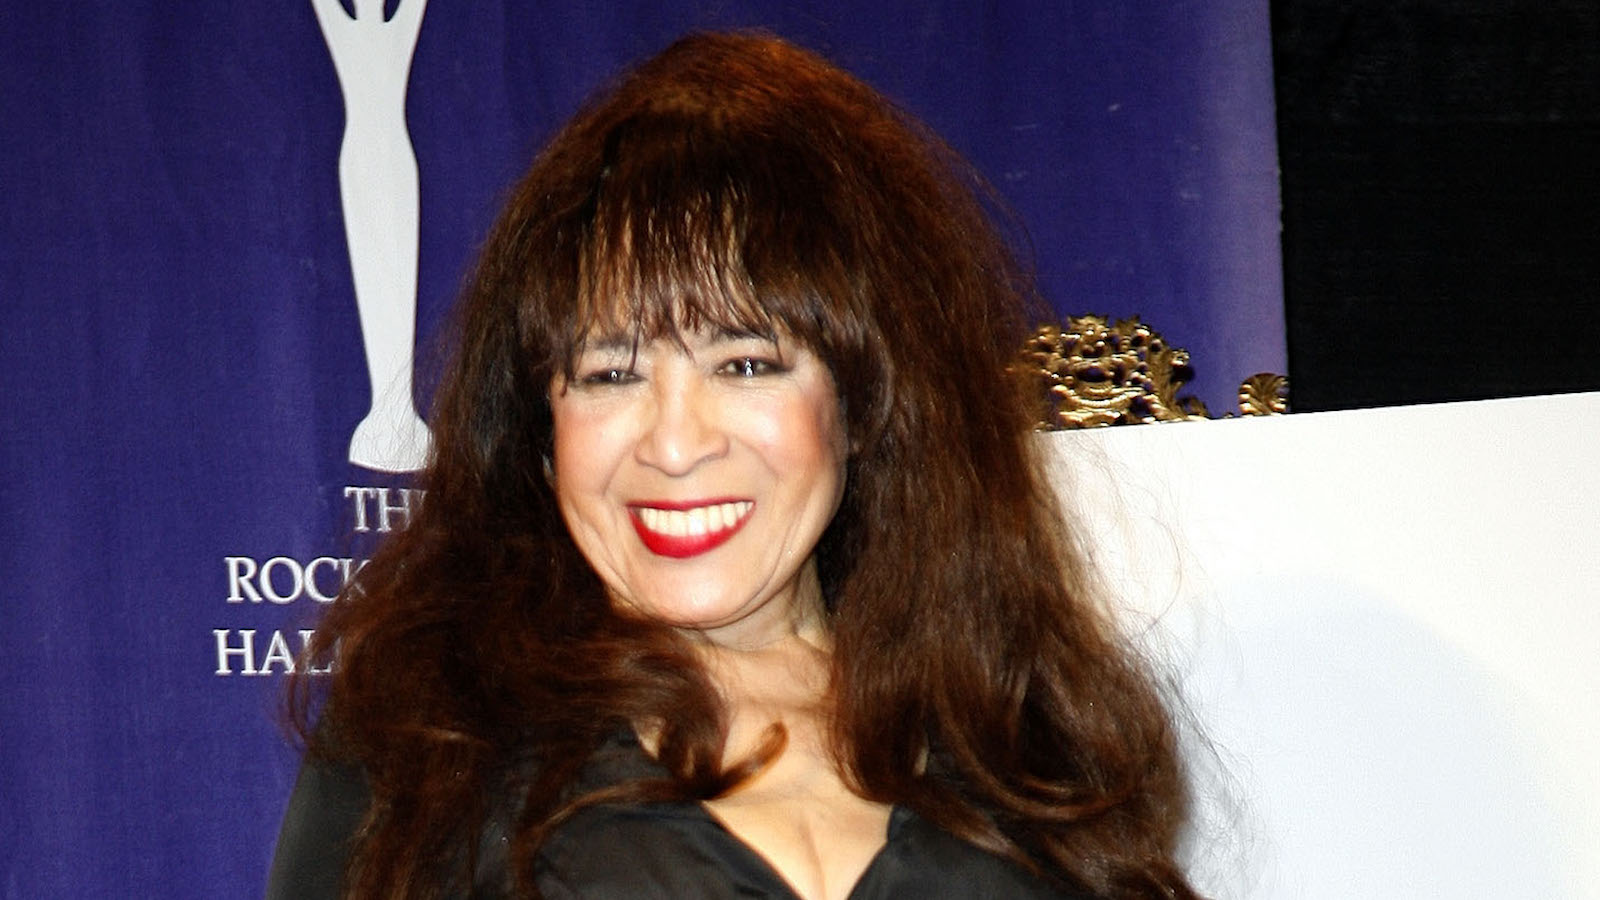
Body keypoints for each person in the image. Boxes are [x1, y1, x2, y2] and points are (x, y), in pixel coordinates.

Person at [268, 30, 1201, 900]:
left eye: (746, 364)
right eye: (610, 374)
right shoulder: (429, 745)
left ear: (865, 400)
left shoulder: (1022, 748)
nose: (675, 445)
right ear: (538, 431)